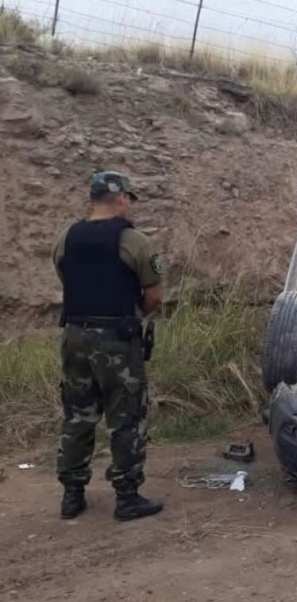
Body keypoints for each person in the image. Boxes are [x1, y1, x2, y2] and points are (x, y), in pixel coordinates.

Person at [51, 169, 165, 521]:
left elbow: (64, 275)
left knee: (78, 415)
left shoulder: (66, 237)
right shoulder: (134, 241)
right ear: (121, 198)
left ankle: (72, 495)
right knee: (126, 416)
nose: (129, 204)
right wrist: (130, 315)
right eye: (129, 198)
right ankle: (127, 496)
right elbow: (154, 297)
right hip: (117, 339)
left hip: (75, 336)